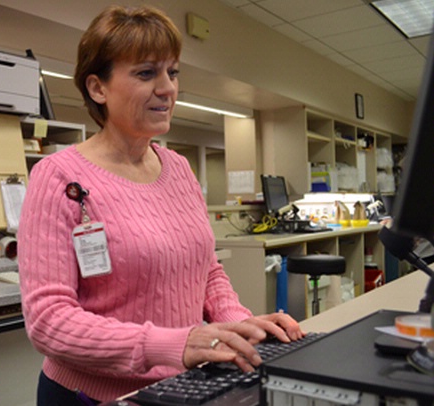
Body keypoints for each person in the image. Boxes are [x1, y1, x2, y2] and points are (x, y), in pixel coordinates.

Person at [17, 5, 304, 405]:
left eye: (173, 72)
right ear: (98, 88)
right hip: (90, 395)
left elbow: (206, 271)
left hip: (173, 388)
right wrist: (171, 343)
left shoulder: (179, 169)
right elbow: (49, 322)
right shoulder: (59, 177)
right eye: (146, 73)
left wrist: (240, 324)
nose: (168, 87)